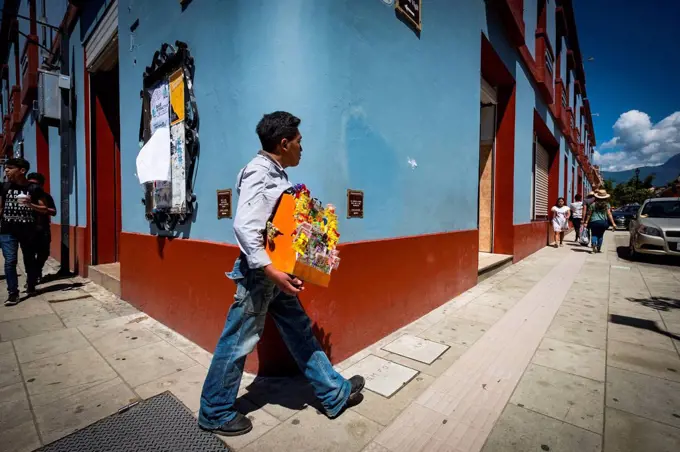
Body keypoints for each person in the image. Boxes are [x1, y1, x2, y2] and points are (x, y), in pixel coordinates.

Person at [198, 112, 364, 437]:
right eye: (299, 142)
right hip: (261, 276)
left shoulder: (277, 174)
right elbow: (244, 226)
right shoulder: (259, 173)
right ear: (284, 143)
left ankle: (333, 393)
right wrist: (273, 271)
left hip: (275, 275)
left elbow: (280, 227)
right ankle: (214, 411)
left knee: (300, 332)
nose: (303, 148)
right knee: (237, 340)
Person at [0, 158, 49, 306]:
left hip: (28, 231)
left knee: (29, 260)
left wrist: (30, 204)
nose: (6, 170)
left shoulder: (34, 189)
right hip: (7, 230)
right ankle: (13, 293)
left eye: (10, 168)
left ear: (22, 171)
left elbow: (45, 209)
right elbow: (1, 208)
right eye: (5, 168)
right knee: (10, 261)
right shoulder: (5, 186)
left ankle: (31, 285)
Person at [26, 173, 57, 282]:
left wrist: (42, 208)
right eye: (30, 184)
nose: (33, 188)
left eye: (36, 185)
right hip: (27, 230)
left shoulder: (46, 196)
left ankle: (37, 271)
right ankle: (31, 278)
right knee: (29, 255)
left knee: (43, 253)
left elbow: (53, 212)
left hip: (42, 229)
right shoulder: (22, 197)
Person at [583, 189, 615, 253]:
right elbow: (609, 214)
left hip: (594, 222)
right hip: (603, 222)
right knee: (600, 235)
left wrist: (586, 222)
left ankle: (594, 243)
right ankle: (598, 248)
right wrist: (613, 223)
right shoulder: (607, 205)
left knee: (594, 234)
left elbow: (589, 214)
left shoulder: (593, 204)